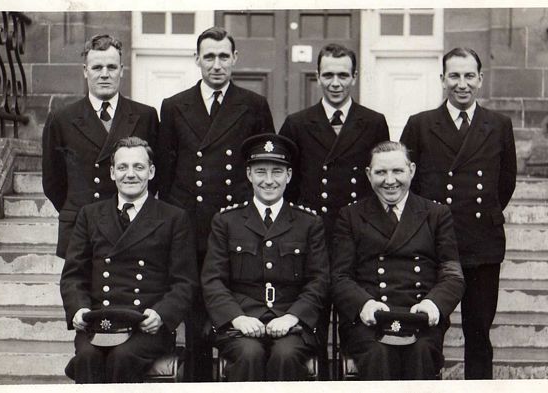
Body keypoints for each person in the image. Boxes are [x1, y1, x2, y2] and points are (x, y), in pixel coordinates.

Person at [156, 26, 275, 381]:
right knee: (193, 315)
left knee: (235, 309)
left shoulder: (254, 105)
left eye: (224, 56)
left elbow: (264, 168)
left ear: (235, 59)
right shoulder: (175, 106)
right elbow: (164, 168)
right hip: (189, 225)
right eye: (209, 56)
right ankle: (195, 381)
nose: (217, 64)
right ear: (197, 60)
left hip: (236, 226)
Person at [400, 47, 517, 379]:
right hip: (432, 246)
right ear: (442, 80)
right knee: (429, 330)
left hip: (483, 244)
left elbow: (505, 182)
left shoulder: (498, 124)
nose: (461, 84)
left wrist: (485, 214)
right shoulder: (420, 125)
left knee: (479, 333)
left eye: (469, 76)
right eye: (454, 76)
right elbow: (407, 181)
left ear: (480, 80)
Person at [60, 136, 198, 383]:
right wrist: (78, 308)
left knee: (122, 357)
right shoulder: (90, 215)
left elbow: (184, 282)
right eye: (123, 167)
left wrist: (162, 315)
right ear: (112, 173)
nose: (130, 174)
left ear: (151, 171)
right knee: (87, 357)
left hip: (145, 325)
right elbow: (74, 275)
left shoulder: (174, 218)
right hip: (98, 320)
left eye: (139, 167)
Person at [331, 141, 465, 380]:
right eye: (381, 172)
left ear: (411, 171)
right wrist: (364, 304)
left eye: (397, 171)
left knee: (421, 352)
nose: (390, 180)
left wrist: (432, 304)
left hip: (419, 316)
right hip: (370, 319)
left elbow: (452, 274)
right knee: (378, 354)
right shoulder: (350, 216)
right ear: (368, 174)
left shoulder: (435, 214)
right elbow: (340, 277)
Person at [201, 134, 329, 381]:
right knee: (249, 354)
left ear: (289, 176)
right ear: (249, 175)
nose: (269, 181)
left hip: (292, 321)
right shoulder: (226, 221)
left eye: (277, 172)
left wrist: (292, 317)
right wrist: (237, 318)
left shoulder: (308, 223)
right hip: (241, 321)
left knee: (286, 355)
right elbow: (213, 280)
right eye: (261, 172)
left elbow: (319, 279)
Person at [42, 34, 159, 259]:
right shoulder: (62, 118)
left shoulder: (145, 115)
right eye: (97, 67)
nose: (105, 74)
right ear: (85, 70)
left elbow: (156, 174)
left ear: (122, 70)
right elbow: (53, 181)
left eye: (112, 67)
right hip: (80, 226)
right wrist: (80, 210)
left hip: (130, 223)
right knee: (79, 291)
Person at [279, 43, 389, 239]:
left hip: (359, 229)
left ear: (354, 77)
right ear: (318, 77)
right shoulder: (297, 123)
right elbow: (285, 183)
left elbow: (381, 180)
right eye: (328, 75)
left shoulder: (374, 122)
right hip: (311, 229)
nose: (335, 83)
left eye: (343, 75)